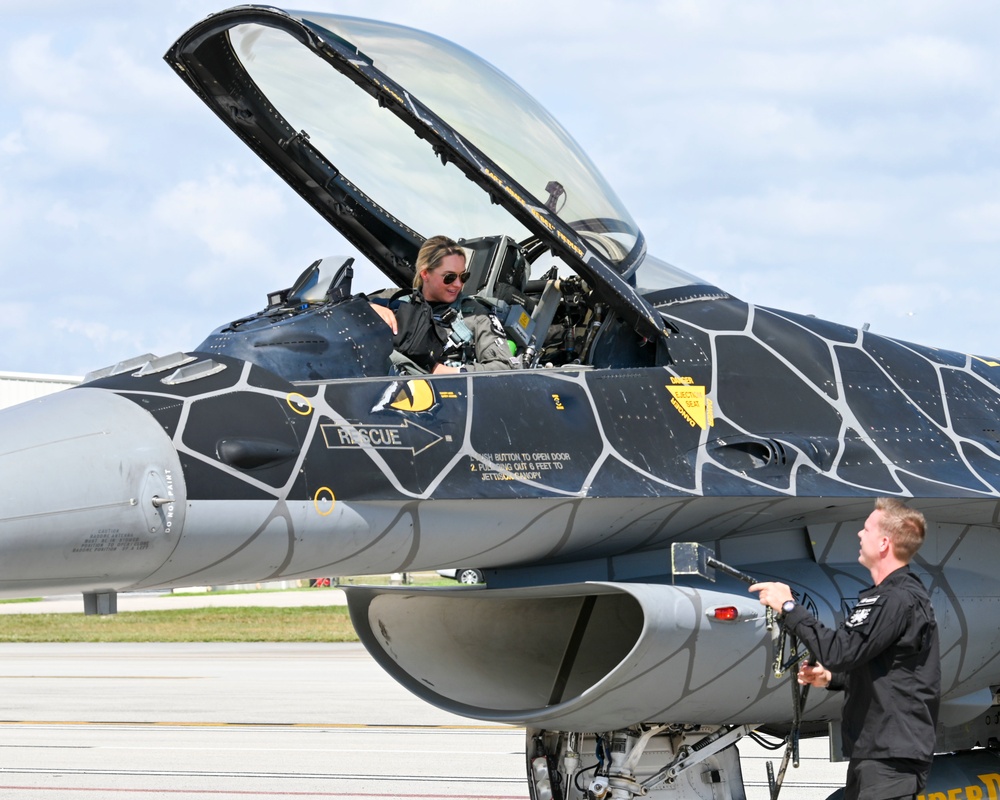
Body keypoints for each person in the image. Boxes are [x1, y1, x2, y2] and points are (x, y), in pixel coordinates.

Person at [749, 498, 940, 800]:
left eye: (866, 529)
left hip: (890, 758)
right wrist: (831, 678)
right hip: (876, 754)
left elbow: (840, 652)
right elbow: (887, 670)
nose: (859, 535)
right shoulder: (887, 597)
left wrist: (788, 607)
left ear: (884, 543)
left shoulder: (898, 599)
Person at [370, 235, 521, 374]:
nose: (457, 284)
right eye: (449, 277)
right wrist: (370, 308)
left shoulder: (476, 315)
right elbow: (347, 309)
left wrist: (448, 372)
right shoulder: (393, 299)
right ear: (425, 274)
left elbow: (505, 367)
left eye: (463, 276)